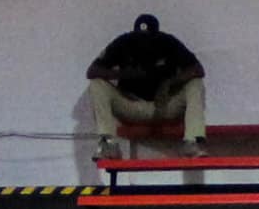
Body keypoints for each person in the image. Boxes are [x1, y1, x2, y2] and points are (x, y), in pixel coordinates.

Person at [87, 13, 207, 159]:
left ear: (157, 35)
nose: (143, 44)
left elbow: (198, 69)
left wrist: (170, 83)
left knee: (196, 83)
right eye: (139, 38)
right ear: (134, 34)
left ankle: (191, 142)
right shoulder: (123, 42)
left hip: (164, 105)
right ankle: (108, 143)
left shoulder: (168, 42)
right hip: (132, 105)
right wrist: (124, 74)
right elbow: (92, 71)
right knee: (97, 84)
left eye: (148, 39)